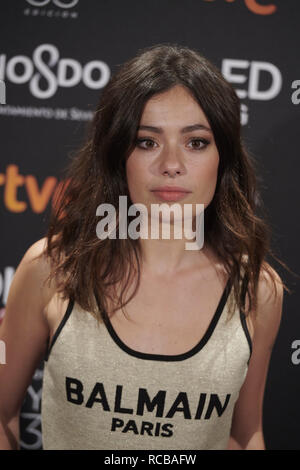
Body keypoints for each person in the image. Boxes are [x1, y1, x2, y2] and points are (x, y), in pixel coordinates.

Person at [0, 43, 291, 450]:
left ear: (223, 158)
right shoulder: (49, 268)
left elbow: (244, 434)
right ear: (118, 154)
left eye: (196, 143)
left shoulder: (258, 289)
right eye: (147, 142)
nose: (171, 163)